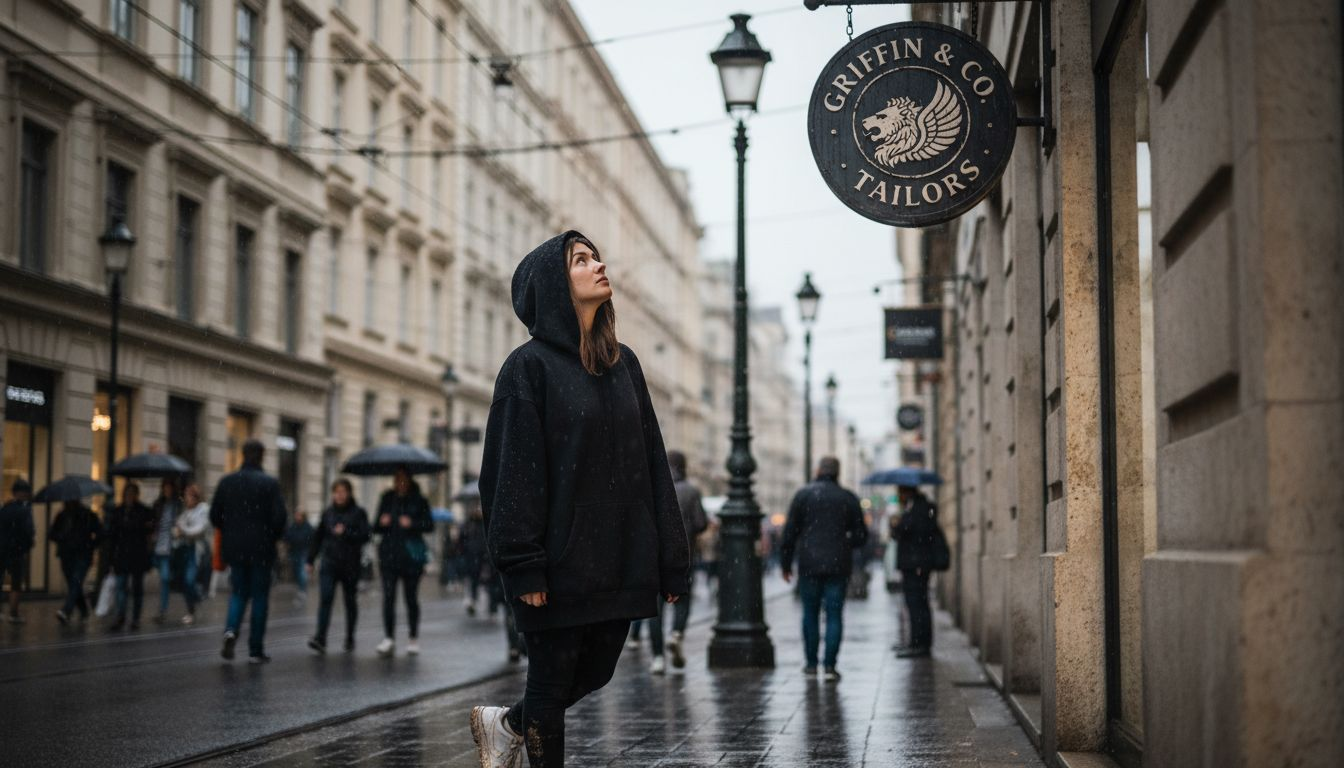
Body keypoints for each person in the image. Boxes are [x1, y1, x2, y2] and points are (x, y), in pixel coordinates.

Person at [471, 232, 691, 768]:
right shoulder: (528, 368)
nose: (599, 265)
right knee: (550, 683)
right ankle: (523, 731)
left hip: (618, 559)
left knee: (596, 672)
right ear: (552, 284)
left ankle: (506, 724)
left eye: (595, 256)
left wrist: (670, 557)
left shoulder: (626, 365)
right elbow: (508, 475)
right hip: (557, 561)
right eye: (581, 260)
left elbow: (653, 464)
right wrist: (523, 566)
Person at [779, 457, 869, 681]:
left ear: (818, 470)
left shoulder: (804, 495)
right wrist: (845, 542)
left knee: (809, 613)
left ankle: (811, 664)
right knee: (834, 615)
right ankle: (830, 665)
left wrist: (786, 563)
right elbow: (861, 536)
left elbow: (789, 533)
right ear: (837, 473)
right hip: (838, 564)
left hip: (809, 563)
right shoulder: (847, 498)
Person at [211, 439, 287, 663]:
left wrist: (231, 531)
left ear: (242, 455)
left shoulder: (227, 482)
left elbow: (215, 516)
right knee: (260, 597)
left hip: (235, 548)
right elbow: (280, 518)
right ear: (262, 456)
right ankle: (255, 649)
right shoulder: (269, 484)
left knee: (238, 592)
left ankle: (231, 629)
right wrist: (270, 536)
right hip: (261, 548)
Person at [638, 450, 709, 674]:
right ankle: (677, 633)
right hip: (682, 555)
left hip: (652, 557)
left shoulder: (650, 486)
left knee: (655, 609)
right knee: (682, 600)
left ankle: (658, 657)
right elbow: (700, 523)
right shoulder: (691, 490)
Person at [373, 468, 434, 657]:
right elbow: (375, 527)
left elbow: (429, 525)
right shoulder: (387, 498)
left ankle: (413, 638)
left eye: (402, 478)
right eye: (396, 478)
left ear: (408, 480)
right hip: (389, 556)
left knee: (411, 598)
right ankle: (389, 638)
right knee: (389, 598)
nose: (398, 482)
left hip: (411, 559)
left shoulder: (419, 500)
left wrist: (412, 523)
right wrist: (381, 522)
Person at [307, 479, 371, 655]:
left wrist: (348, 533)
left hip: (350, 564)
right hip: (329, 562)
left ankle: (350, 637)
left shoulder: (358, 513)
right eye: (336, 492)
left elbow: (366, 535)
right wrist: (310, 560)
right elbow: (318, 537)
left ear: (349, 493)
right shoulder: (328, 513)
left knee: (350, 601)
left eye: (342, 491)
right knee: (325, 598)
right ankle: (321, 638)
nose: (339, 495)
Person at [891, 483, 942, 658]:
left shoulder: (919, 509)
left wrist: (897, 523)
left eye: (899, 492)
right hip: (915, 564)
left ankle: (920, 645)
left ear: (906, 492)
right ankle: (916, 642)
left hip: (917, 565)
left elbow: (906, 532)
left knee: (917, 604)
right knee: (916, 604)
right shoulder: (917, 508)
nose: (898, 495)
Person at [105, 482, 154, 631]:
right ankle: (121, 616)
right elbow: (112, 535)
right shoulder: (118, 512)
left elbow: (148, 532)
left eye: (132, 494)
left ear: (136, 496)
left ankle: (135, 618)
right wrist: (111, 558)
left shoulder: (144, 511)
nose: (129, 497)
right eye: (127, 494)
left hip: (137, 554)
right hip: (122, 555)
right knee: (121, 586)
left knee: (136, 587)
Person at [49, 498, 102, 623]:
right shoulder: (62, 515)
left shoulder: (87, 515)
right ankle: (83, 609)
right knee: (73, 584)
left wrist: (91, 544)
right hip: (67, 554)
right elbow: (52, 534)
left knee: (76, 581)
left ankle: (66, 610)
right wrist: (62, 537)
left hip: (82, 554)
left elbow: (100, 532)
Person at [150, 477, 194, 624]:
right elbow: (153, 523)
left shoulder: (178, 505)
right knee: (167, 578)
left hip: (171, 547)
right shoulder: (158, 504)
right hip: (158, 547)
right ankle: (171, 606)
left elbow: (184, 522)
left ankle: (162, 611)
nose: (167, 490)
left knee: (165, 578)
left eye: (169, 487)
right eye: (165, 488)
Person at [0, 479, 35, 623]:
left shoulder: (5, 508)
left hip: (2, 549)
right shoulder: (25, 510)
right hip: (17, 551)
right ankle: (13, 613)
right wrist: (27, 546)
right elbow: (29, 531)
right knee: (16, 582)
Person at [179, 483, 212, 613]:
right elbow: (179, 525)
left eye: (188, 496)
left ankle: (197, 599)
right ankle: (191, 607)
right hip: (185, 549)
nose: (186, 499)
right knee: (185, 581)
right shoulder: (186, 512)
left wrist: (183, 531)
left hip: (197, 550)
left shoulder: (203, 509)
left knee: (190, 580)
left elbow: (199, 529)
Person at [284, 510, 315, 603]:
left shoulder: (307, 527)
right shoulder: (293, 526)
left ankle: (303, 589)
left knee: (302, 572)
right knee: (297, 571)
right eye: (296, 515)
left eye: (299, 515)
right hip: (294, 552)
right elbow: (288, 537)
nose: (297, 517)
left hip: (304, 551)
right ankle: (301, 588)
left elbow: (311, 538)